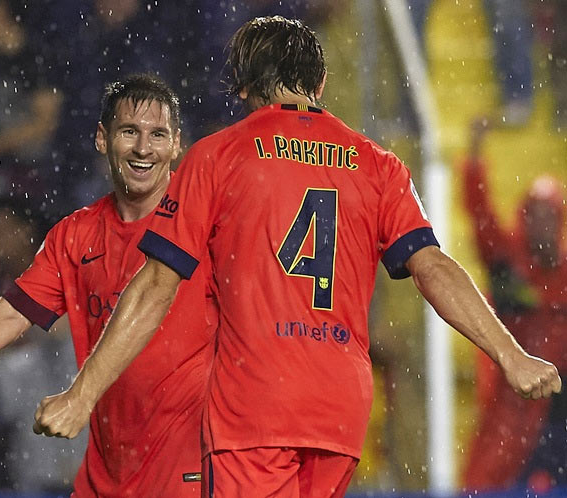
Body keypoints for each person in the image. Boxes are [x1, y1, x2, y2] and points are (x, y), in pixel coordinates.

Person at [28, 17, 561, 497]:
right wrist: (512, 356)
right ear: (319, 85)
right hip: (339, 410)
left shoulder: (216, 156)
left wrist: (83, 394)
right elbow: (434, 267)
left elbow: (155, 285)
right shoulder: (379, 165)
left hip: (254, 407)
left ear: (242, 86)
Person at [0, 74, 217, 497]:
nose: (144, 148)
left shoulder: (210, 223)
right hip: (107, 468)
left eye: (158, 134)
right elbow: (14, 312)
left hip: (192, 465)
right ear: (102, 139)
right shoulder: (75, 235)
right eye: (129, 132)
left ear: (176, 144)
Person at [461, 118, 567, 490]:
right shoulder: (509, 261)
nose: (542, 225)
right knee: (482, 483)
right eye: (535, 214)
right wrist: (474, 155)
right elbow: (479, 213)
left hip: (556, 408)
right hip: (512, 400)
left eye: (549, 216)